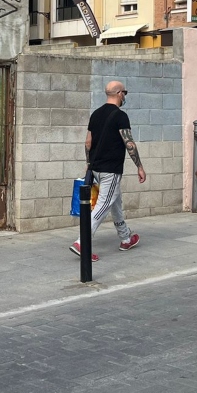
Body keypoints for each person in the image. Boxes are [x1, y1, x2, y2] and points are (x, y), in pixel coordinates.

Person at [71, 80, 146, 259]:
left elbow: (88, 142)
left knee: (115, 201)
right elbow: (129, 143)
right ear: (119, 93)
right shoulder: (121, 116)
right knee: (103, 205)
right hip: (110, 170)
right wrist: (140, 166)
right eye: (124, 93)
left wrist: (89, 164)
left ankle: (126, 237)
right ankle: (82, 243)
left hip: (96, 168)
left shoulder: (96, 114)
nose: (125, 96)